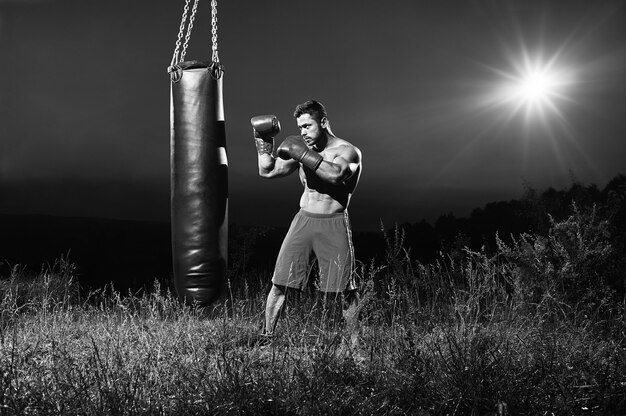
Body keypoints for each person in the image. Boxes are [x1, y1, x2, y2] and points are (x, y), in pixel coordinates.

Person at [251, 100, 362, 345]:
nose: (302, 132)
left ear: (323, 122)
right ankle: (266, 336)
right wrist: (263, 143)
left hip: (333, 223)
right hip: (303, 221)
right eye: (299, 127)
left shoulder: (348, 151)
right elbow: (267, 171)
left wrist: (302, 152)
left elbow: (336, 175)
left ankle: (355, 346)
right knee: (279, 282)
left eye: (307, 126)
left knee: (345, 291)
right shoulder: (303, 148)